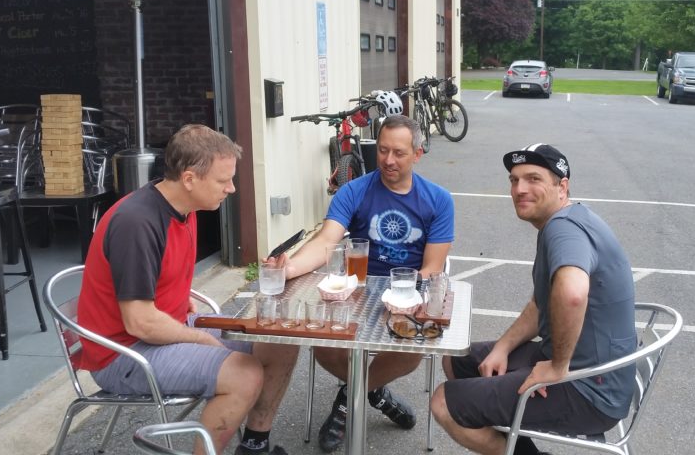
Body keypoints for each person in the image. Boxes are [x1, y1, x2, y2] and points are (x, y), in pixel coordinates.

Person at [77, 124, 298, 455]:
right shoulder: (137, 223)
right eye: (224, 181)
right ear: (190, 178)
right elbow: (140, 322)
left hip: (160, 332)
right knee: (244, 375)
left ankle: (254, 444)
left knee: (280, 340)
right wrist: (201, 338)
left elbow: (156, 277)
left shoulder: (184, 207)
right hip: (122, 352)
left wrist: (180, 298)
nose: (232, 189)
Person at [430, 143, 636, 455]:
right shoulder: (569, 219)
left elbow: (571, 293)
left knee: (444, 402)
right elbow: (542, 303)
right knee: (457, 361)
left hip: (589, 389)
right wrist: (502, 347)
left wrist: (556, 366)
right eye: (514, 180)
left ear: (561, 186)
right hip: (591, 370)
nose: (520, 189)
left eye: (533, 179)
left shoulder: (564, 230)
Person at [271, 114, 455, 453]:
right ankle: (374, 393)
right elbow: (327, 240)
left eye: (399, 153)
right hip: (355, 290)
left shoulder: (439, 200)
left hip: (405, 292)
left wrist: (411, 296)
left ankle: (347, 399)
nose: (387, 160)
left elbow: (431, 267)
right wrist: (290, 267)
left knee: (410, 354)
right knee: (322, 342)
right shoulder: (354, 190)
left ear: (418, 154)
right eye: (383, 150)